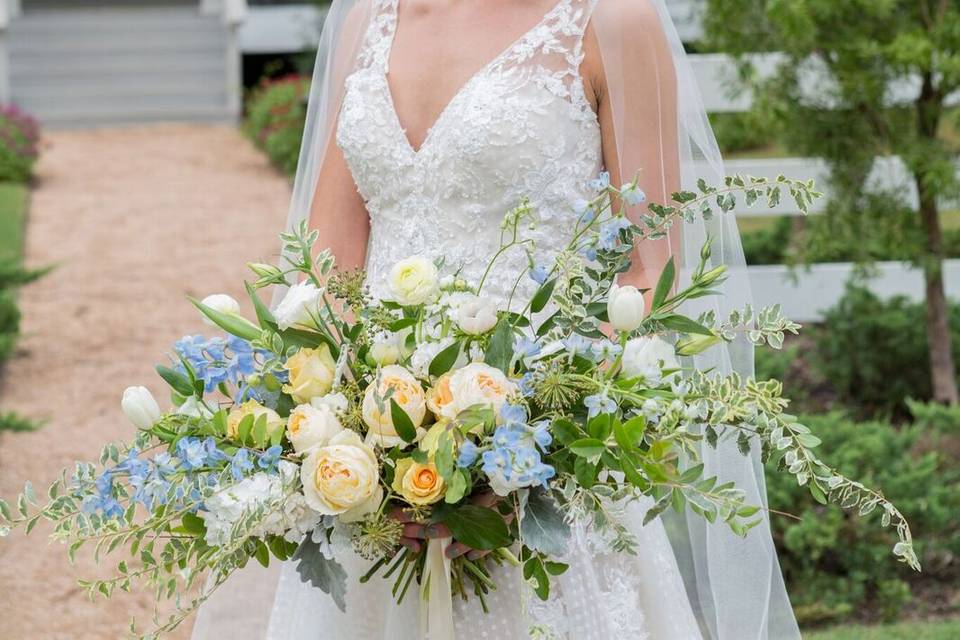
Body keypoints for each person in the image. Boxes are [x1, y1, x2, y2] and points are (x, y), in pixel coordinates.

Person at [191, 1, 800, 638]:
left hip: (541, 468)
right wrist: (353, 439)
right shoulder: (366, 16)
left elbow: (654, 274)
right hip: (374, 482)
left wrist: (526, 446)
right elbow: (325, 270)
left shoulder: (612, 19)